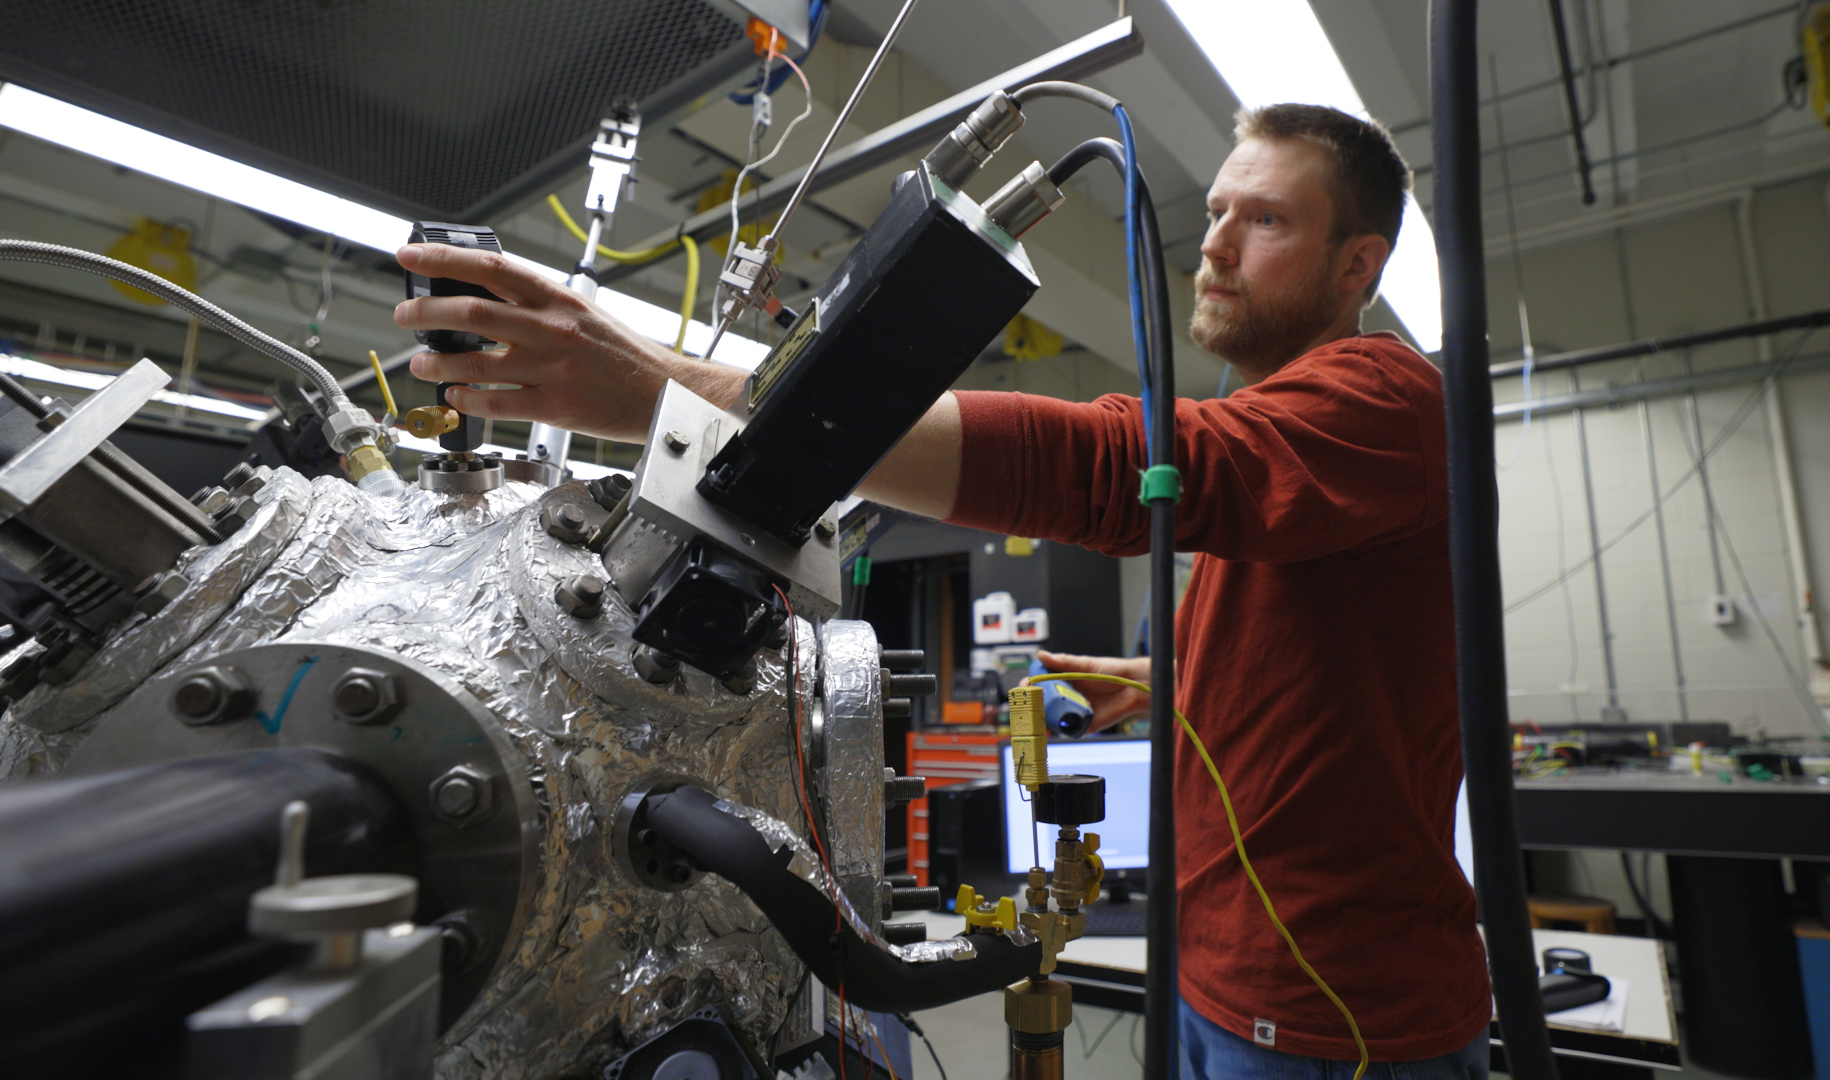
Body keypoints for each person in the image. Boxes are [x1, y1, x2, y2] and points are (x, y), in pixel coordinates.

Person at [393, 102, 1490, 1079]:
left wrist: (665, 391)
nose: (1213, 244)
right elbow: (1334, 670)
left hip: (1337, 1015)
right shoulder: (1300, 452)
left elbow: (1111, 470)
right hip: (1219, 974)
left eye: (1267, 220)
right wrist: (1155, 682)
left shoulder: (1383, 398)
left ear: (1359, 266)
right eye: (1214, 211)